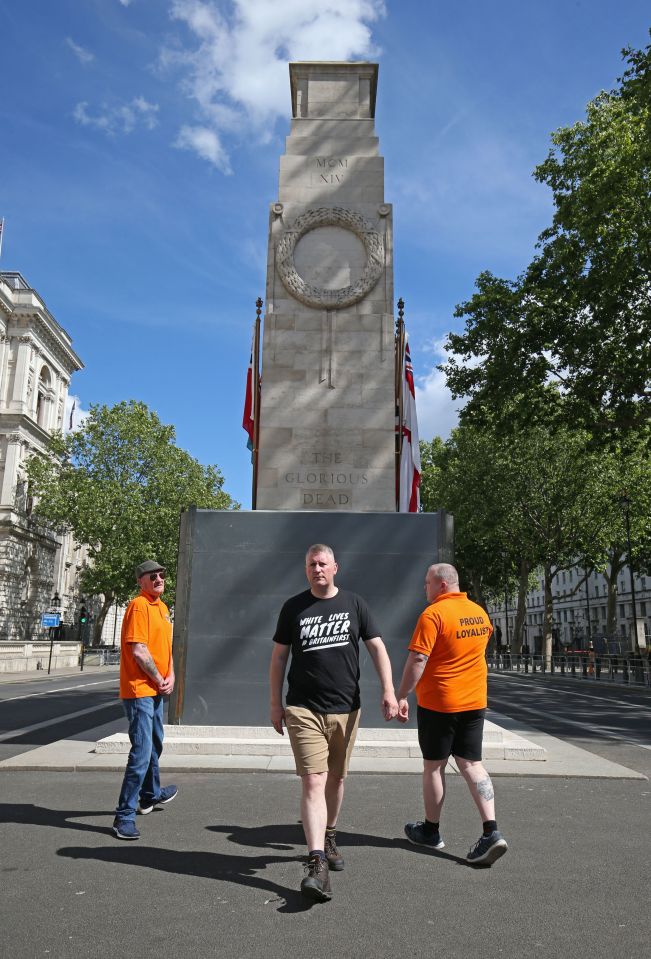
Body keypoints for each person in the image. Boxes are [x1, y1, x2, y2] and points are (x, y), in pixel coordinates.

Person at [270, 543, 399, 902]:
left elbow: (377, 648)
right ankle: (316, 864)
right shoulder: (293, 607)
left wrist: (389, 691)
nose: (317, 569)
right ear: (306, 569)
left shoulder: (355, 604)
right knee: (313, 780)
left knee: (336, 778)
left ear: (335, 567)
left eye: (322, 563)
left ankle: (329, 834)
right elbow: (279, 657)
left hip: (346, 708)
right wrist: (274, 703)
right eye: (311, 564)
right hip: (302, 708)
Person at [396, 563, 508, 866]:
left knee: (434, 766)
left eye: (427, 583)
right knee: (472, 763)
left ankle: (431, 831)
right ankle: (491, 831)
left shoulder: (433, 614)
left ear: (442, 585)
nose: (424, 588)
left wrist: (401, 694)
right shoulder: (479, 613)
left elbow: (419, 657)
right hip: (474, 702)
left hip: (440, 704)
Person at [113, 560, 178, 840]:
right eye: (153, 576)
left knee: (155, 744)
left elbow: (166, 648)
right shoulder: (139, 605)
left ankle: (150, 794)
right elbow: (139, 651)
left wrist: (170, 675)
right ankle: (123, 816)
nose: (159, 579)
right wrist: (158, 678)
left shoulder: (162, 609)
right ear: (141, 581)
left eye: (162, 575)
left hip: (156, 688)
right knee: (140, 753)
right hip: (140, 689)